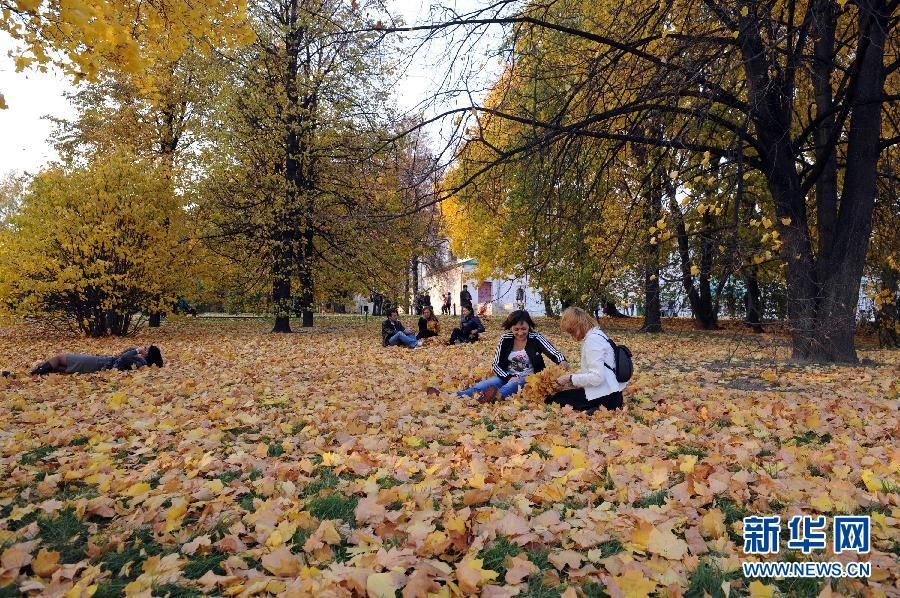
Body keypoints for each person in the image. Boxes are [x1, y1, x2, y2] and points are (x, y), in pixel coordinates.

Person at [457, 310, 569, 403]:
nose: (520, 333)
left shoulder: (536, 338)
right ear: (511, 327)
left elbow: (553, 352)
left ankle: (493, 397)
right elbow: (496, 365)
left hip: (529, 378)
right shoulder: (505, 339)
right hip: (506, 375)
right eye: (516, 329)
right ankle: (455, 395)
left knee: (512, 385)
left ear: (529, 326)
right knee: (482, 385)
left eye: (524, 329)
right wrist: (508, 377)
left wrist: (562, 360)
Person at [546, 306, 627, 414]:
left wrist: (570, 378)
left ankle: (598, 409)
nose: (572, 336)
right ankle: (598, 408)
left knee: (553, 399)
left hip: (605, 397)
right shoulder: (598, 335)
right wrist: (573, 380)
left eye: (572, 331)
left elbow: (597, 377)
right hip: (613, 393)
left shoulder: (592, 341)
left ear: (579, 325)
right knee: (564, 395)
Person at [30, 346, 164, 375]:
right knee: (58, 368)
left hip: (99, 364)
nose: (143, 349)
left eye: (146, 349)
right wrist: (133, 349)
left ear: (148, 355)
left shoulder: (141, 362)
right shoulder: (140, 361)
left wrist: (136, 351)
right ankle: (36, 373)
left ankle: (35, 373)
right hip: (100, 363)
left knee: (60, 358)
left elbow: (122, 358)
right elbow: (121, 355)